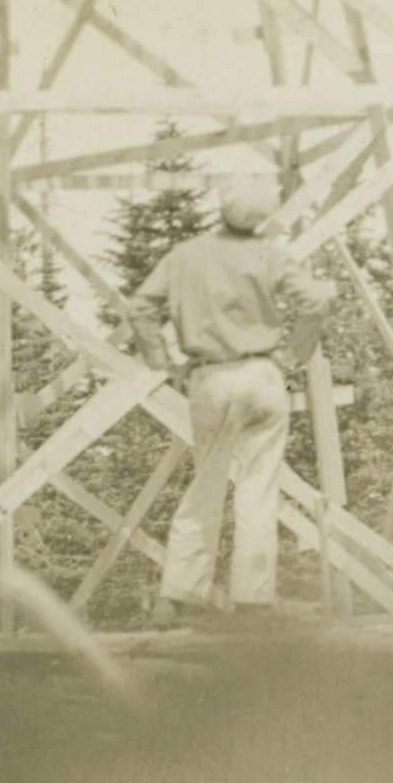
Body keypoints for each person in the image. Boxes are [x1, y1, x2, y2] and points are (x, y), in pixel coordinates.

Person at [129, 176, 332, 622]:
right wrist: (295, 352)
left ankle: (180, 594)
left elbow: (140, 307)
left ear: (222, 209)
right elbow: (315, 301)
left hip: (211, 376)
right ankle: (253, 601)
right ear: (261, 218)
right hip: (262, 375)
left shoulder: (186, 256)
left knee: (207, 485)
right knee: (258, 490)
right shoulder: (270, 255)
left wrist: (163, 361)